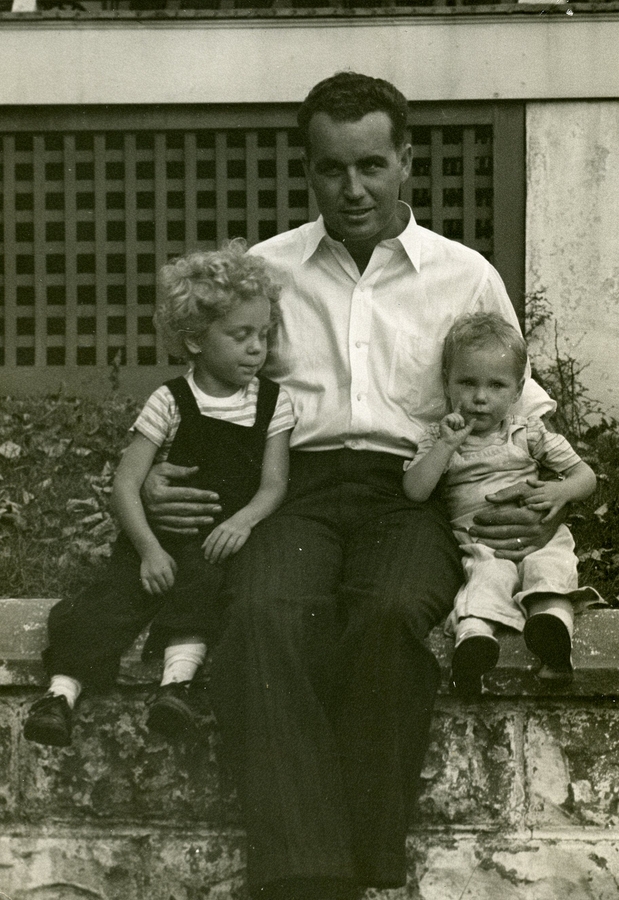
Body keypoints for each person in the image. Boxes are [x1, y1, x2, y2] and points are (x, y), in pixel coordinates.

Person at [142, 73, 556, 900]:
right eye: (331, 169)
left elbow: (522, 408)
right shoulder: (268, 270)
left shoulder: (463, 275)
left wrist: (535, 507)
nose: (352, 187)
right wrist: (156, 478)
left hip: (413, 494)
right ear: (309, 169)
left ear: (405, 159)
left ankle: (365, 866)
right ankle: (306, 878)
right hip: (292, 489)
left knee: (390, 613)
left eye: (371, 165)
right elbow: (208, 394)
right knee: (260, 617)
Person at [23, 241, 294, 748]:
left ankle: (176, 689)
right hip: (158, 540)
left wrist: (243, 522)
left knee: (204, 595)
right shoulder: (169, 400)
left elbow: (274, 484)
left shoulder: (273, 404)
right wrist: (147, 548)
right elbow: (126, 484)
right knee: (107, 604)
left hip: (217, 543)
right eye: (240, 336)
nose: (257, 348)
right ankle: (59, 696)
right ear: (194, 340)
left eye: (263, 334)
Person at [403, 312, 600, 695]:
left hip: (539, 533)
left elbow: (586, 477)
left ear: (517, 390)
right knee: (486, 576)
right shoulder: (439, 437)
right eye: (467, 383)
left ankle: (552, 632)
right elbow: (415, 489)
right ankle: (474, 645)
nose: (479, 397)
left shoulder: (528, 432)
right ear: (447, 383)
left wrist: (560, 492)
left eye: (496, 385)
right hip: (481, 541)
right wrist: (445, 446)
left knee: (551, 563)